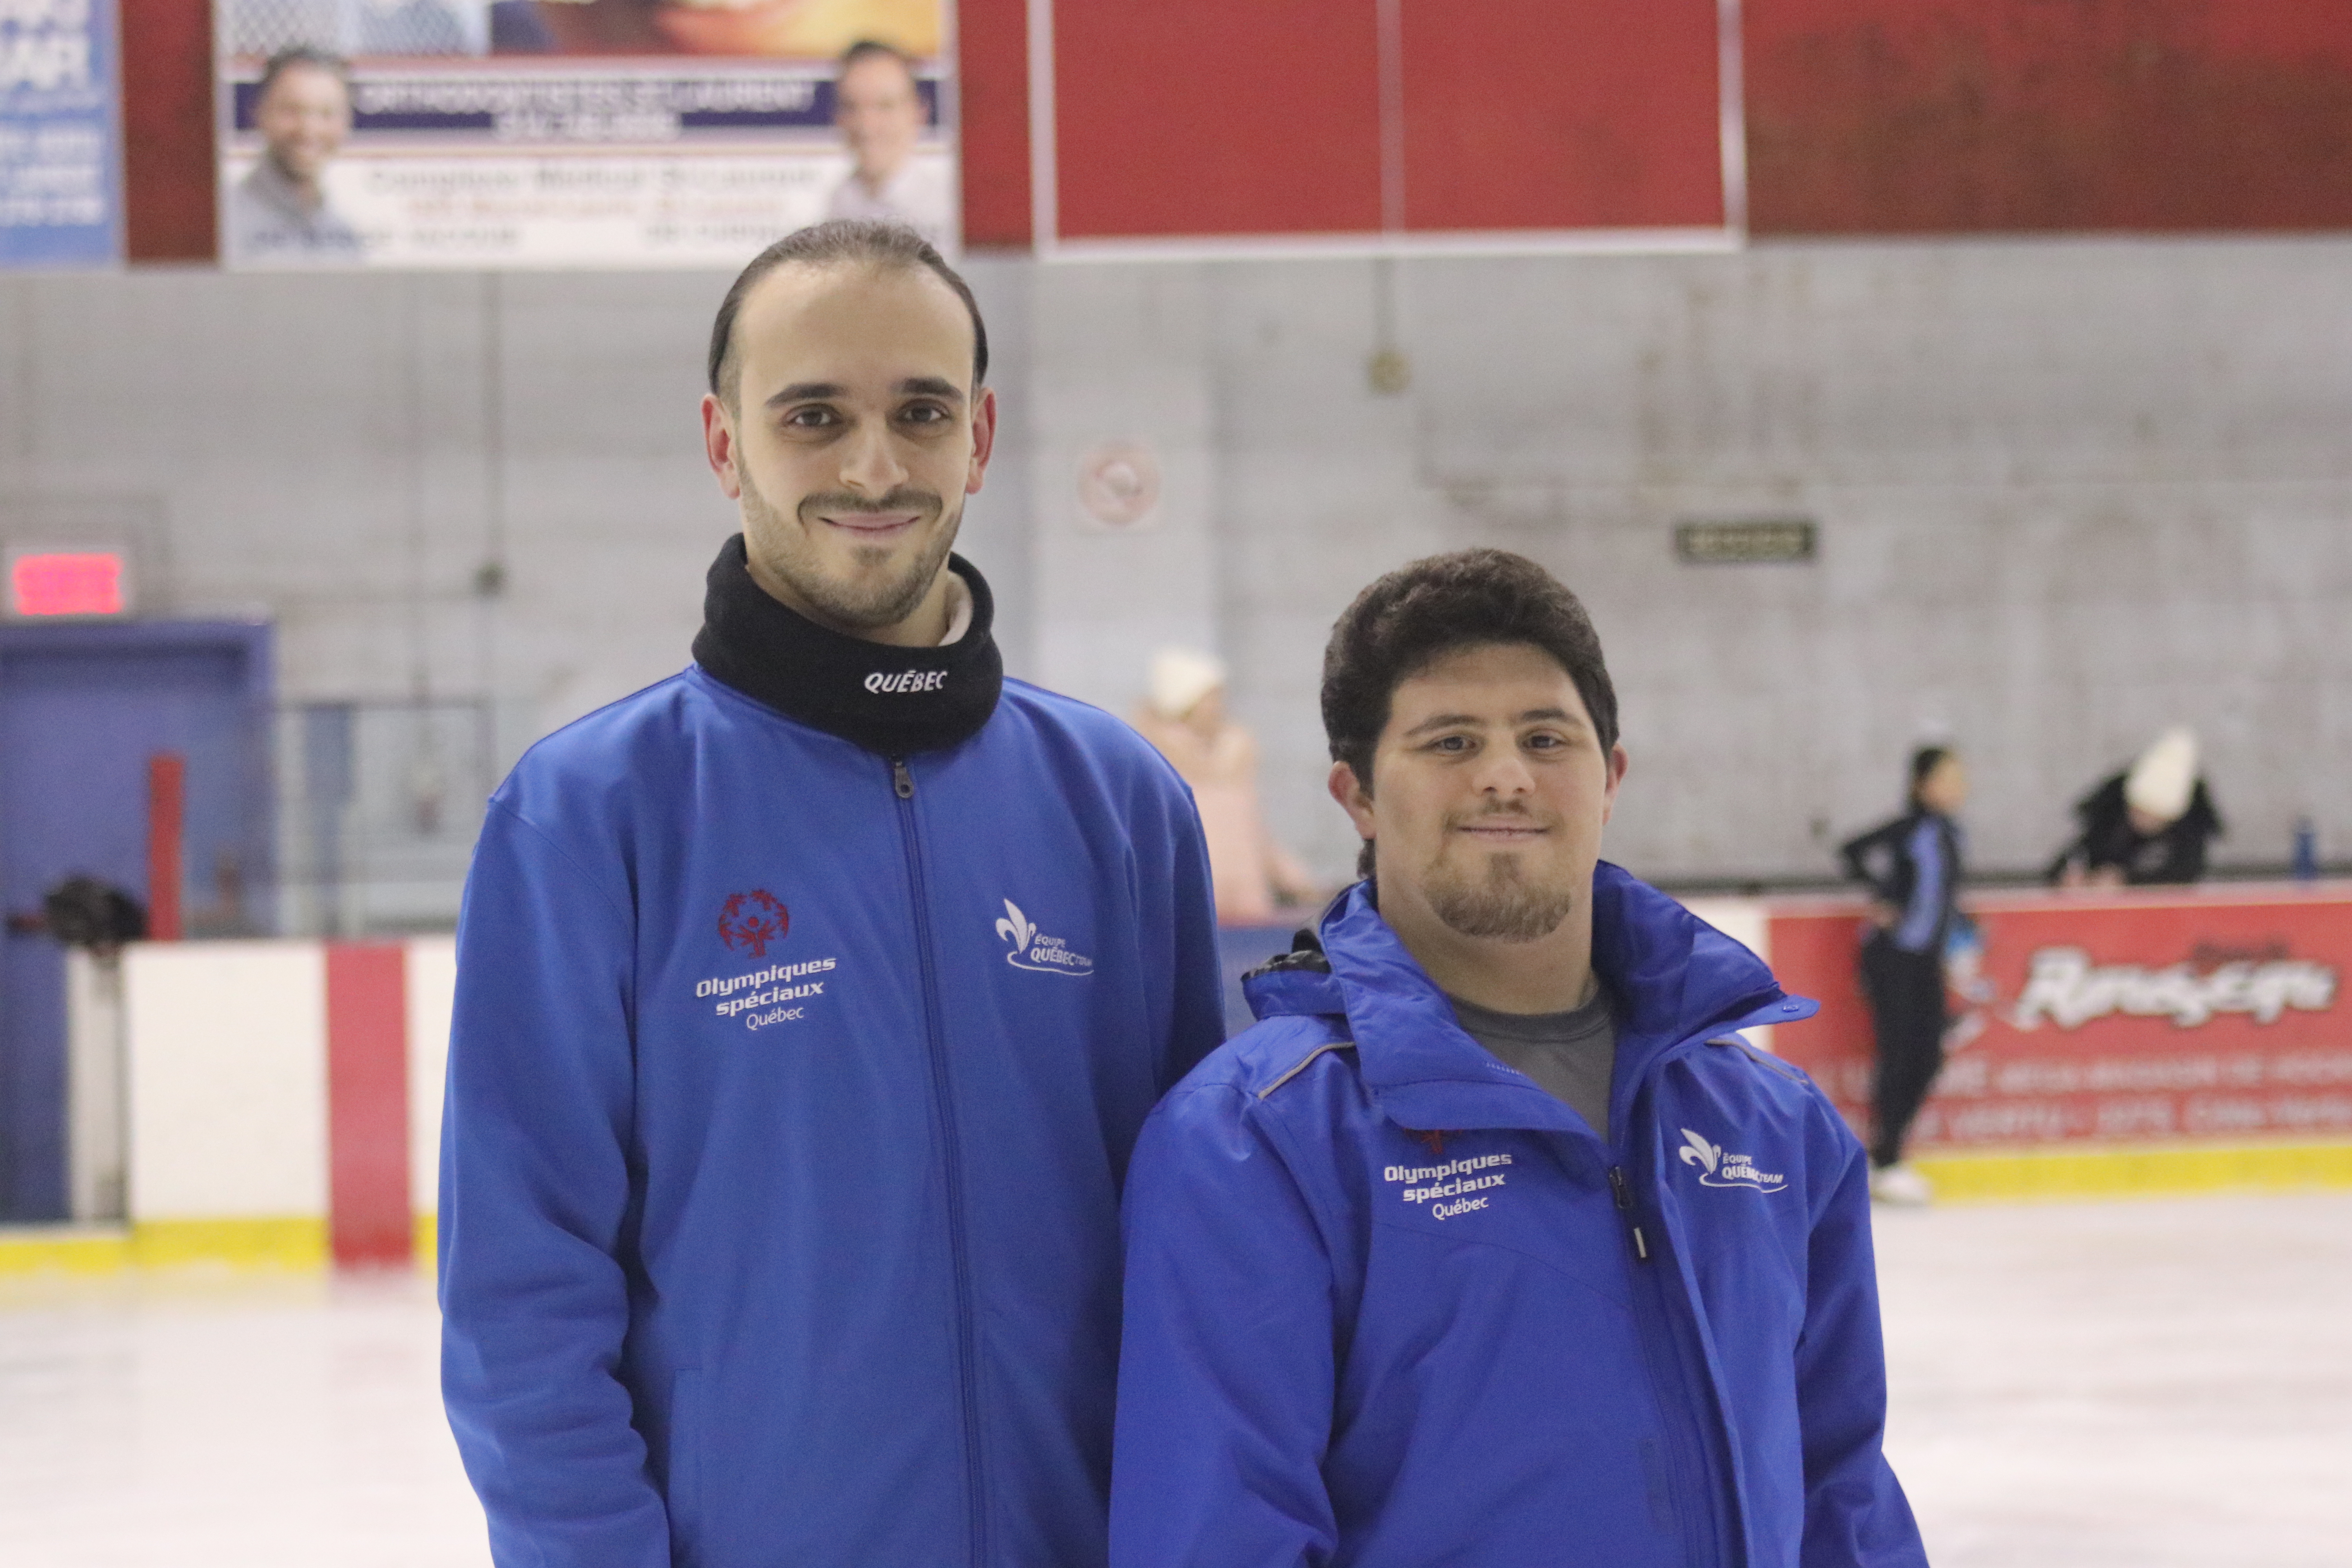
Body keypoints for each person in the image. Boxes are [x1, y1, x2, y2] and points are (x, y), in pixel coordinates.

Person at [439, 220, 1225, 1566]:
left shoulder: (1119, 802)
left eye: (920, 413)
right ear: (723, 441)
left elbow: (1212, 1256)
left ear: (978, 440)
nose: (875, 466)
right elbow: (525, 1296)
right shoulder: (590, 815)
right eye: (815, 416)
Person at [1110, 550, 1926, 1568]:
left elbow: (1842, 1497)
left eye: (1547, 737)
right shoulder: (1256, 1142)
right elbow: (1218, 1537)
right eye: (1451, 741)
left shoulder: (1776, 1125)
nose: (1507, 773)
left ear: (1611, 778)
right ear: (1357, 796)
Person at [1839, 746, 1969, 1206]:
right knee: (1897, 1052)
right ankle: (1887, 1159)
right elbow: (1853, 850)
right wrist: (1883, 898)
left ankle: (1890, 1151)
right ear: (1922, 783)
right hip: (1891, 957)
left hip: (1926, 959)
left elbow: (1944, 895)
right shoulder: (1910, 829)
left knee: (1929, 1053)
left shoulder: (1952, 834)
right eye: (1948, 777)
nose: (1958, 786)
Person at [1129, 647, 1318, 925]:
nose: (1218, 706)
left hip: (1248, 904)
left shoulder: (1236, 756)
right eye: (1209, 697)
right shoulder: (1152, 763)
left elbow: (1254, 833)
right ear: (1185, 703)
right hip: (1186, 905)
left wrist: (1295, 879)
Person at [225, 47, 366, 265]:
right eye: (292, 110)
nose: (309, 129)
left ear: (347, 122)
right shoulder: (224, 226)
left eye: (326, 113)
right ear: (259, 113)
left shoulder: (346, 238)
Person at [820, 40, 955, 250]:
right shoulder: (837, 205)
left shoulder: (950, 210)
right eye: (851, 107)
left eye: (885, 106)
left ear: (920, 112)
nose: (867, 125)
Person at [2046, 726, 2223, 886]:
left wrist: (2127, 883)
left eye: (2152, 815)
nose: (2141, 821)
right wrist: (2072, 878)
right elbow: (2071, 858)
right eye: (2137, 811)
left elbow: (2182, 876)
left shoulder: (2188, 838)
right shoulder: (2111, 821)